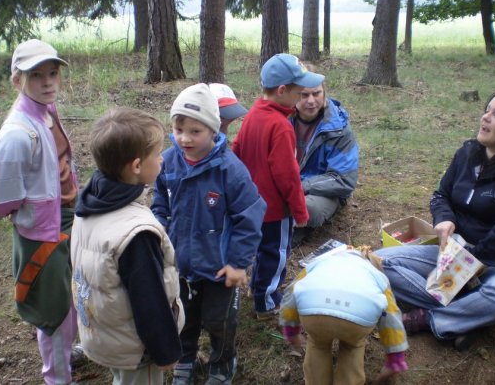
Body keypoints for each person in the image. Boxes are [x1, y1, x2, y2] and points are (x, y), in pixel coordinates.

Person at [376, 88, 495, 350]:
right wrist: (443, 219)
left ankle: (431, 318)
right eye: (487, 110)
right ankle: (470, 315)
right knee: (379, 262)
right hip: (452, 249)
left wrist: (472, 262)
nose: (486, 118)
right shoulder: (467, 153)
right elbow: (440, 194)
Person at [151, 83, 266, 385]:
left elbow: (250, 217)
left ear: (214, 130)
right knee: (182, 315)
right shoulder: (168, 161)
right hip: (180, 261)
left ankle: (222, 362)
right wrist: (159, 223)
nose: (185, 138)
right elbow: (160, 199)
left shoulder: (230, 170)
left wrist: (239, 263)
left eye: (195, 131)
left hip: (219, 265)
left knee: (220, 320)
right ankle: (185, 359)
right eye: (178, 129)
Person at [70, 107, 184, 384]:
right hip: (137, 346)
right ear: (136, 166)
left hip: (105, 333)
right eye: (157, 155)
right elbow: (150, 301)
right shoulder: (136, 234)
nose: (162, 160)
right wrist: (166, 352)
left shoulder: (90, 204)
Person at [0, 39, 78, 384]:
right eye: (36, 75)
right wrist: (41, 206)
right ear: (17, 81)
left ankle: (66, 351)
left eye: (52, 73)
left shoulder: (47, 110)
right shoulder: (17, 133)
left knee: (67, 294)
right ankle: (57, 376)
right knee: (52, 309)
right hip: (42, 231)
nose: (48, 82)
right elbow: (1, 200)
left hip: (65, 215)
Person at [232, 53, 324, 320]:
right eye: (298, 93)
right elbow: (288, 176)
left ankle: (256, 288)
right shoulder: (281, 126)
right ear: (282, 90)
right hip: (274, 209)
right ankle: (267, 302)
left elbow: (237, 151)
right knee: (275, 252)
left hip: (249, 203)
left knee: (257, 248)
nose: (301, 99)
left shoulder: (253, 115)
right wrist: (299, 211)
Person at [279, 249, 409, 385]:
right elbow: (391, 316)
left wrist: (291, 329)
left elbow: (291, 292)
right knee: (352, 347)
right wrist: (395, 356)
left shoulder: (319, 262)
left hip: (314, 311)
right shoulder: (378, 276)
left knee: (318, 345)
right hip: (357, 318)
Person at [290, 74, 359, 246]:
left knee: (306, 208)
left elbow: (343, 179)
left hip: (321, 192)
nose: (311, 101)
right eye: (304, 95)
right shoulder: (282, 120)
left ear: (324, 93)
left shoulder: (338, 128)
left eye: (317, 93)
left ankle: (291, 228)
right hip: (287, 185)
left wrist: (300, 186)